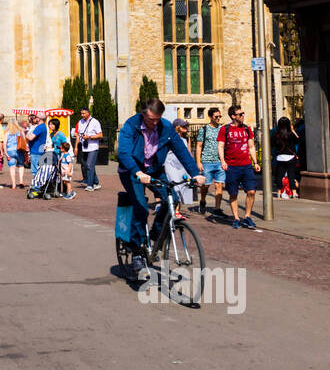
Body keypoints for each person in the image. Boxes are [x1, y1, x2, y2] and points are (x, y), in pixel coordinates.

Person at [117, 98, 204, 276]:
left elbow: (181, 150)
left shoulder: (165, 127)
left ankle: (155, 237)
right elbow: (123, 152)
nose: (154, 123)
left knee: (172, 199)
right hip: (132, 170)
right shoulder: (131, 125)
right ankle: (137, 251)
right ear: (143, 114)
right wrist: (137, 172)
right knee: (140, 207)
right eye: (151, 120)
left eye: (158, 119)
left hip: (155, 169)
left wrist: (195, 173)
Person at [218, 105, 260, 229]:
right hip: (232, 166)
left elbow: (251, 147)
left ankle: (247, 216)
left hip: (246, 165)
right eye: (240, 114)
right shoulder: (225, 129)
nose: (243, 116)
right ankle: (236, 218)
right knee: (233, 194)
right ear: (233, 116)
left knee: (251, 191)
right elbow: (220, 146)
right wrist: (223, 161)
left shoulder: (247, 129)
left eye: (243, 113)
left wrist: (255, 162)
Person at [195, 107, 226, 219]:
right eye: (216, 116)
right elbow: (199, 146)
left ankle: (217, 209)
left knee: (219, 185)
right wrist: (198, 162)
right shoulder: (204, 129)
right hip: (206, 162)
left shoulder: (222, 129)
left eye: (219, 116)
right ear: (210, 117)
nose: (218, 118)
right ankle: (202, 201)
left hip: (219, 162)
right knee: (206, 185)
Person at [271, 116, 300, 198]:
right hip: (291, 157)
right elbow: (298, 140)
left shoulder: (276, 134)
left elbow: (272, 144)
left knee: (279, 176)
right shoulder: (290, 134)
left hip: (280, 157)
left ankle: (279, 192)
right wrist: (293, 130)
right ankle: (294, 193)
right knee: (291, 176)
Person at [76, 107, 103, 190]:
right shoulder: (80, 122)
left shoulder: (95, 122)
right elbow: (77, 134)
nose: (82, 115)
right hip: (84, 147)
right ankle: (96, 182)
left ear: (88, 113)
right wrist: (76, 146)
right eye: (81, 113)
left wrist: (89, 137)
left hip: (93, 147)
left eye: (83, 113)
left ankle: (90, 185)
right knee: (86, 165)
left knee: (89, 165)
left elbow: (100, 135)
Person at [47, 118, 74, 198]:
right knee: (57, 173)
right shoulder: (51, 134)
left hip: (62, 156)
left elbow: (65, 145)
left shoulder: (61, 134)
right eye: (49, 124)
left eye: (52, 124)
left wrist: (62, 152)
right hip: (55, 155)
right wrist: (48, 146)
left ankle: (66, 191)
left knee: (63, 173)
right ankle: (58, 190)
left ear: (56, 125)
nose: (50, 126)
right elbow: (53, 144)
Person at [4, 119, 26, 190]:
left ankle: (14, 184)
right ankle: (21, 181)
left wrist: (6, 153)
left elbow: (4, 143)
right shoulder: (20, 130)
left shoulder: (7, 132)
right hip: (19, 150)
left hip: (10, 151)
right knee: (21, 165)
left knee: (12, 167)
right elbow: (24, 140)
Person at [25, 114, 47, 178]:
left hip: (36, 150)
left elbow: (30, 138)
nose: (34, 118)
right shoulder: (43, 126)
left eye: (35, 117)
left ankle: (36, 185)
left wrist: (24, 134)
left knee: (35, 170)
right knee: (39, 170)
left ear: (39, 118)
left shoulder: (40, 127)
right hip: (39, 150)